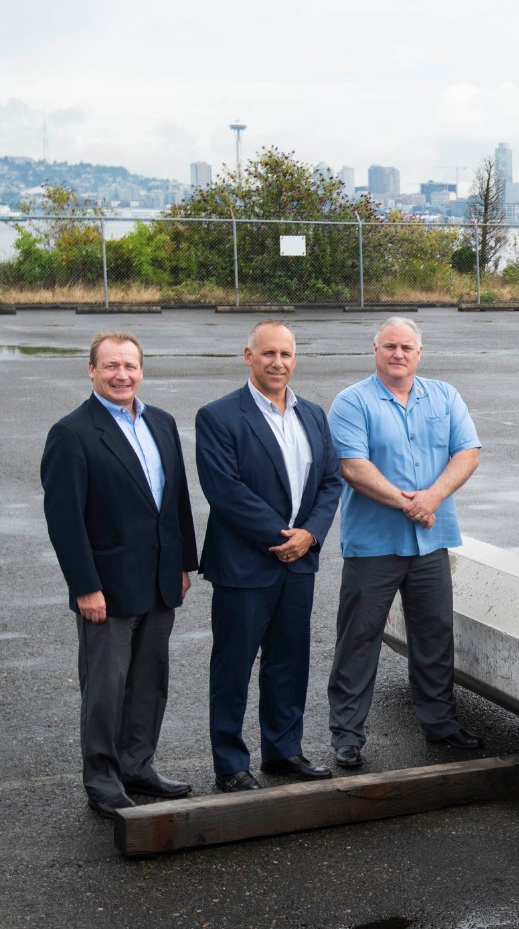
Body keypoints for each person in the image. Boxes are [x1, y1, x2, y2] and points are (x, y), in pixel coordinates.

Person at [40, 332, 198, 819]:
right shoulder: (72, 432)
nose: (121, 375)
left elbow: (175, 501)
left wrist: (182, 563)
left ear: (142, 370)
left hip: (158, 580)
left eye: (129, 365)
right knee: (105, 689)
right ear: (91, 371)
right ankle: (103, 781)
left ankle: (137, 766)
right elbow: (64, 521)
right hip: (106, 589)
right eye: (110, 366)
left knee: (150, 682)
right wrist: (85, 585)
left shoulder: (162, 423)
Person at [326, 317, 483, 769]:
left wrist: (431, 497)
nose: (399, 354)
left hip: (432, 541)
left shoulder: (445, 396)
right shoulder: (352, 402)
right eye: (390, 346)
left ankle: (440, 723)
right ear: (375, 349)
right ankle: (348, 734)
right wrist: (408, 503)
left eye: (407, 347)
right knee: (359, 638)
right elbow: (353, 466)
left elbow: (467, 452)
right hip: (374, 545)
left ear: (420, 352)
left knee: (434, 635)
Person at [195, 321, 342, 792]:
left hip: (299, 563)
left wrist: (311, 535)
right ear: (248, 356)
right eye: (268, 354)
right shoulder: (218, 417)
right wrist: (284, 537)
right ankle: (230, 763)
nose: (278, 363)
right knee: (233, 667)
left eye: (286, 354)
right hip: (245, 565)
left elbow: (330, 481)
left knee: (289, 661)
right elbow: (225, 491)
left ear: (295, 359)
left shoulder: (313, 414)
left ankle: (284, 751)